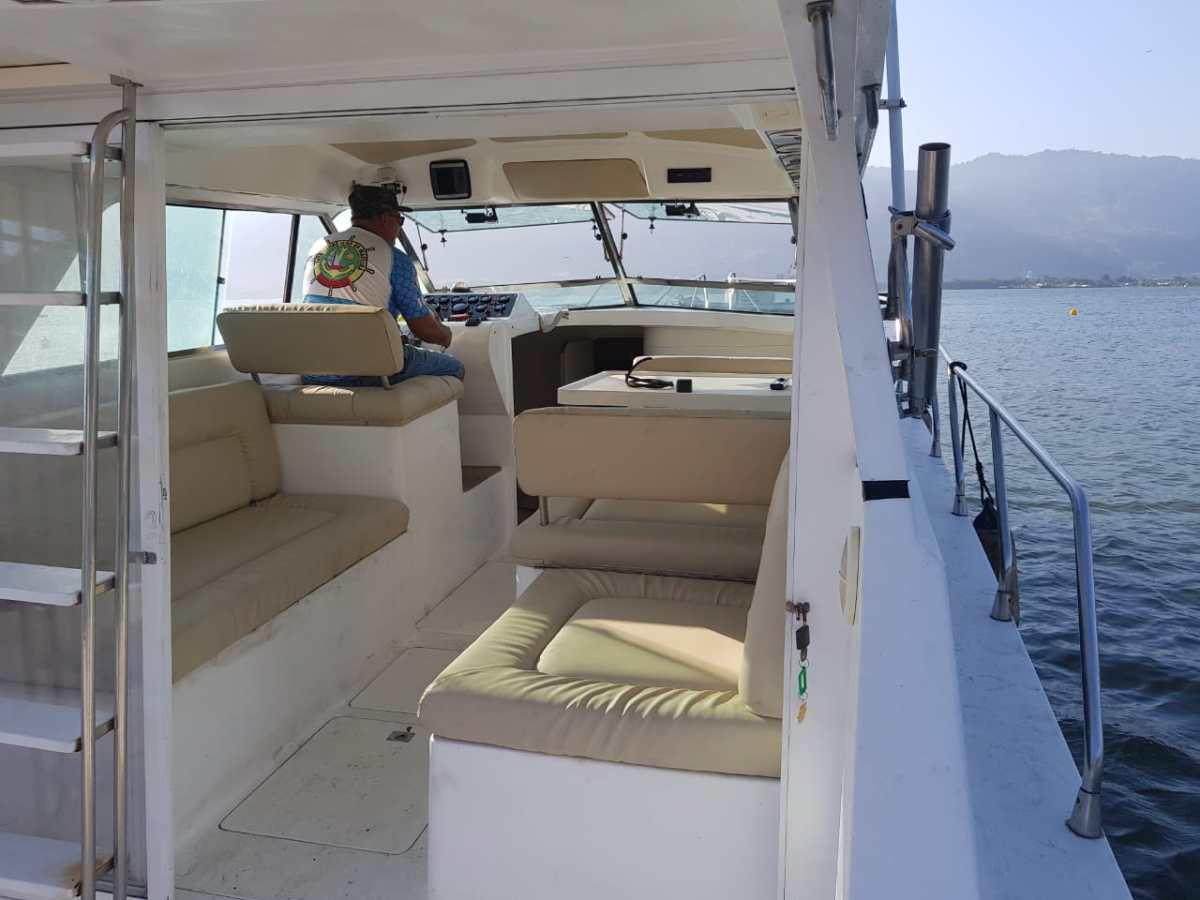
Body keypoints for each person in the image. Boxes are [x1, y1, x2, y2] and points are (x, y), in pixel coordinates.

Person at [300, 183, 465, 383]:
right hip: (367, 370)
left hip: (313, 369)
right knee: (456, 369)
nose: (399, 227)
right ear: (386, 219)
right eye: (400, 220)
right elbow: (425, 330)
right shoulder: (394, 258)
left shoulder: (319, 246)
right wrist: (446, 335)